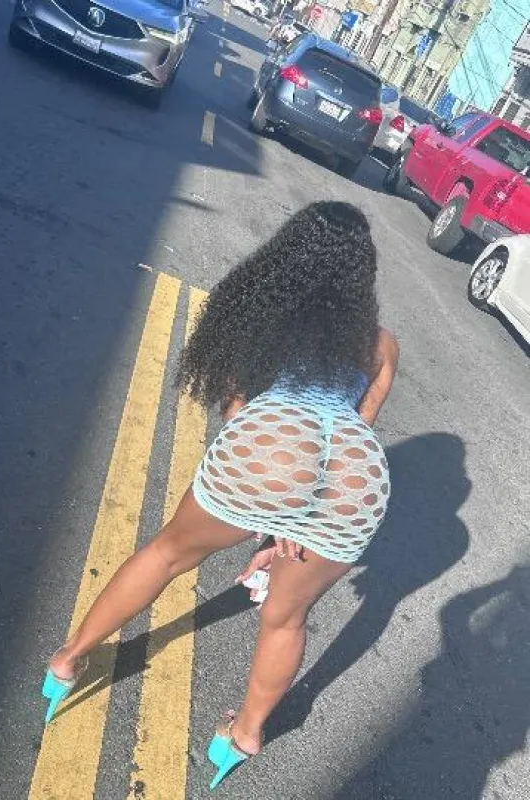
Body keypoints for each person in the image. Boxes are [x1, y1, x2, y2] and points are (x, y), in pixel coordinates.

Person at [42, 202, 399, 789]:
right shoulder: (380, 344)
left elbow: (238, 411)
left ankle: (67, 660)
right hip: (356, 477)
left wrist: (271, 508)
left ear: (290, 252)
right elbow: (360, 422)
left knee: (167, 554)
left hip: (273, 448)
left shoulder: (261, 312)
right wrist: (291, 520)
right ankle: (245, 734)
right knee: (287, 619)